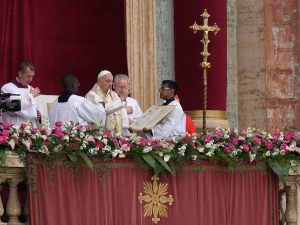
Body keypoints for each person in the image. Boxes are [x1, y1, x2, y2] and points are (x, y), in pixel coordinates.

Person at [1, 61, 44, 128]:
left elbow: (38, 109)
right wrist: (31, 96)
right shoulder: (7, 88)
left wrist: (40, 115)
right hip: (14, 129)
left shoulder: (32, 90)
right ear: (20, 74)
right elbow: (14, 109)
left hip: (31, 130)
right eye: (28, 76)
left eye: (32, 76)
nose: (30, 79)